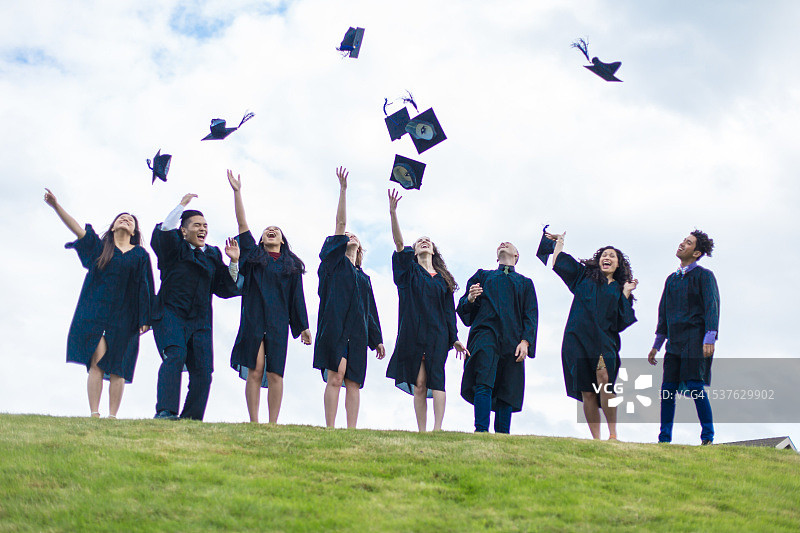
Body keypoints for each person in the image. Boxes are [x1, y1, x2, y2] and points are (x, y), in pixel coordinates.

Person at [44, 188, 153, 419]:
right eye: (121, 218)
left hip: (126, 316)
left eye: (131, 220)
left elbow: (146, 287)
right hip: (95, 311)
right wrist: (56, 206)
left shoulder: (140, 255)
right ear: (113, 226)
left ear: (134, 231)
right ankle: (95, 413)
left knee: (118, 365)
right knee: (97, 360)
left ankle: (113, 416)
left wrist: (145, 318)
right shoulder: (101, 248)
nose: (126, 220)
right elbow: (77, 228)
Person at [227, 170, 312, 424]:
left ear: (283, 240)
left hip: (278, 322)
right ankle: (254, 422)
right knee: (255, 369)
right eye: (266, 230)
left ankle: (272, 423)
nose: (270, 231)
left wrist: (304, 327)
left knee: (275, 373)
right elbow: (243, 225)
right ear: (262, 240)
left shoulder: (292, 266)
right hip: (254, 318)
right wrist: (237, 191)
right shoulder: (253, 257)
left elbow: (298, 297)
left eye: (275, 230)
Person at [539, 230, 637, 440]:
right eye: (604, 255)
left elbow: (621, 321)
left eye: (612, 256)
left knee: (604, 378)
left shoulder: (620, 288)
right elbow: (558, 262)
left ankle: (612, 434)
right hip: (578, 338)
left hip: (604, 341)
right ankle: (596, 439)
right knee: (587, 391)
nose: (607, 257)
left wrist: (626, 293)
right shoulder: (583, 277)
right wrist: (560, 242)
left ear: (618, 264)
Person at [150, 193, 241, 420]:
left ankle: (191, 418)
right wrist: (181, 205)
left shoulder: (210, 254)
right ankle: (166, 411)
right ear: (183, 230)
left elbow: (225, 287)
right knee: (175, 355)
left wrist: (234, 261)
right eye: (197, 225)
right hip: (171, 313)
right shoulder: (174, 248)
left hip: (200, 320)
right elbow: (165, 231)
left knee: (203, 372)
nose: (203, 229)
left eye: (205, 226)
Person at [385, 189, 468, 432]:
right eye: (419, 241)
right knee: (419, 382)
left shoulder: (443, 280)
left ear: (433, 251)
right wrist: (393, 213)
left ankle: (438, 428)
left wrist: (455, 339)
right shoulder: (409, 273)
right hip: (412, 332)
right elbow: (399, 244)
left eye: (428, 241)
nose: (424, 242)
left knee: (436, 378)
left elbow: (449, 312)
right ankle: (422, 430)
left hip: (438, 333)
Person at [313, 167, 385, 428]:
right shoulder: (334, 265)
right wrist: (343, 191)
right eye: (347, 237)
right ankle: (330, 427)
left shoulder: (364, 278)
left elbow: (371, 312)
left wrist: (377, 340)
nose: (351, 236)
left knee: (354, 381)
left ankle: (351, 430)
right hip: (335, 326)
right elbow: (340, 226)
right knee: (336, 374)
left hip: (359, 331)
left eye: (356, 237)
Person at [457, 242, 538, 434]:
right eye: (501, 244)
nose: (503, 244)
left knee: (507, 386)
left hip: (513, 340)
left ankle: (503, 436)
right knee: (483, 378)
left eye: (508, 244)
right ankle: (481, 430)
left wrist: (526, 341)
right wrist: (469, 299)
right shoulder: (483, 276)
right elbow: (464, 308)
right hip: (486, 334)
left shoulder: (525, 283)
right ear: (496, 257)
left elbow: (531, 315)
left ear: (516, 255)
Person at [648, 230, 719, 445]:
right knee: (667, 391)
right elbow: (663, 313)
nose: (682, 244)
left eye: (688, 243)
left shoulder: (704, 276)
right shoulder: (671, 280)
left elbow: (712, 306)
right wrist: (657, 345)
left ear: (696, 252)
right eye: (683, 241)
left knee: (695, 387)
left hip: (695, 340)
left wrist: (710, 337)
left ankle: (707, 437)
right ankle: (664, 439)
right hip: (674, 343)